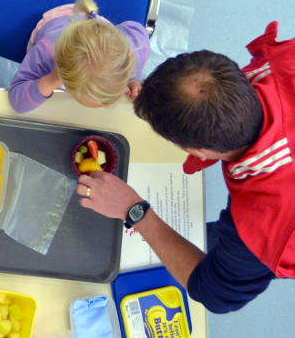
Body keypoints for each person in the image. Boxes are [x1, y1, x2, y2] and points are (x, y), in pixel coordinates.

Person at [76, 21, 295, 313]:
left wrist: (135, 210)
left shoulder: (264, 229)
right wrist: (158, 101)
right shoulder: (283, 62)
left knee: (231, 255)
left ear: (199, 152)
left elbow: (215, 292)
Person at [7, 0, 150, 113]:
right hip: (55, 22)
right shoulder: (45, 52)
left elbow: (138, 29)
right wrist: (50, 81)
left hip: (98, 27)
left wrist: (133, 78)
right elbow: (16, 99)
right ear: (64, 79)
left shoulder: (133, 50)